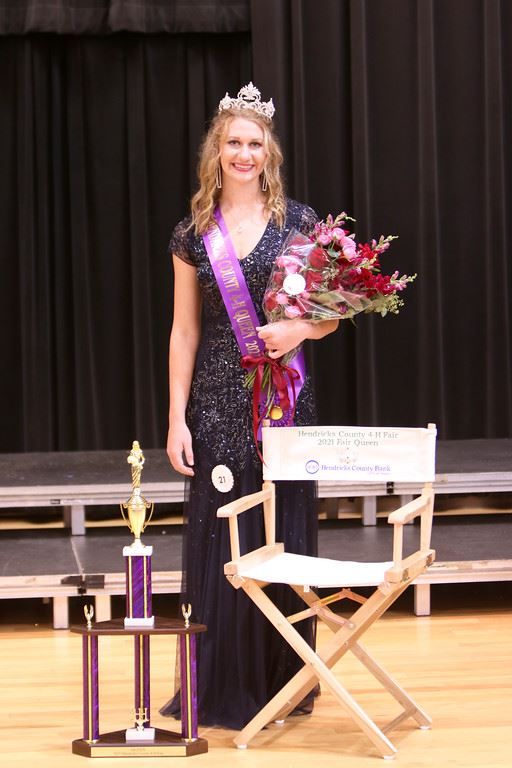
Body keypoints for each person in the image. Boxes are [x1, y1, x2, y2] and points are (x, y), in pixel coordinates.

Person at [161, 83, 338, 730]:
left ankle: (280, 682)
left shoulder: (299, 221)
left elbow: (329, 316)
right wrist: (177, 416)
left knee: (281, 534)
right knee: (223, 540)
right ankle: (221, 685)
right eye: (232, 142)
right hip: (213, 401)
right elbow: (184, 330)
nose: (243, 154)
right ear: (217, 150)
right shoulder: (192, 231)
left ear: (269, 152)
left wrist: (299, 332)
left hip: (284, 399)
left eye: (253, 144)